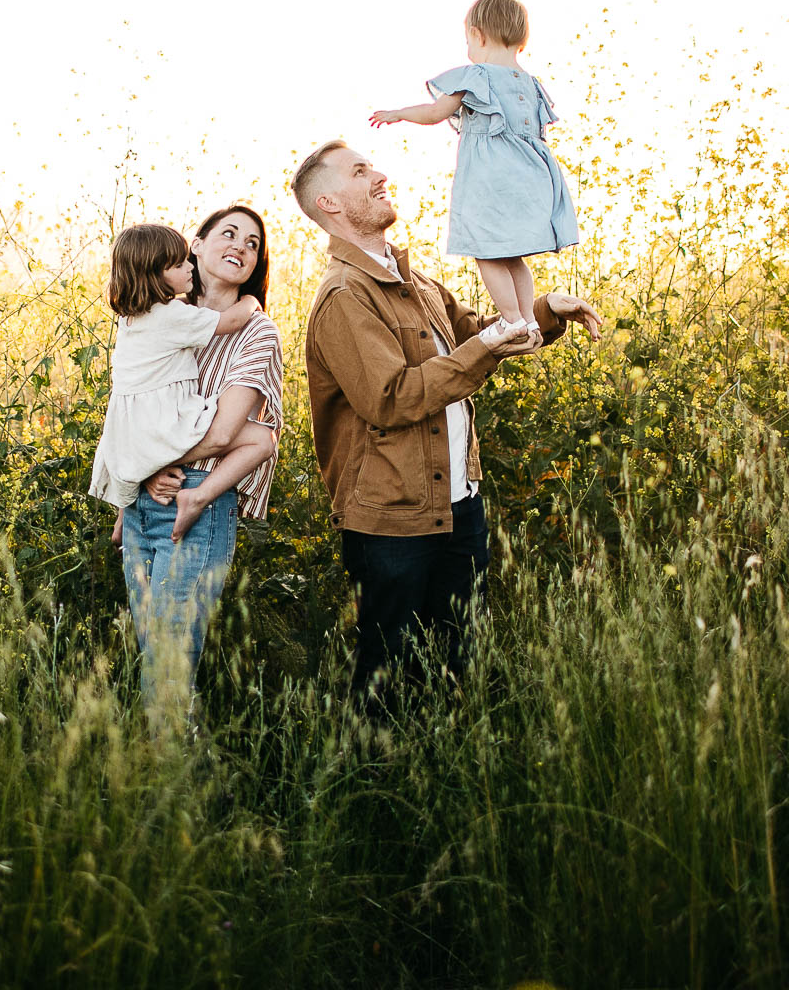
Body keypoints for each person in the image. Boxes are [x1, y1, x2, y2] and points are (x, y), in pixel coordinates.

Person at [290, 140, 602, 702]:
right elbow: (392, 398)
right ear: (331, 203)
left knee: (460, 662)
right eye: (361, 172)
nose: (380, 173)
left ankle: (451, 773)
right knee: (388, 679)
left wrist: (546, 311)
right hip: (391, 518)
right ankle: (376, 782)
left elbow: (476, 331)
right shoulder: (344, 296)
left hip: (458, 503)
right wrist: (485, 345)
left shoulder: (419, 282)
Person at [101, 209, 285, 724]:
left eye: (253, 243)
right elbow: (135, 402)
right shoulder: (160, 315)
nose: (242, 247)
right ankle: (180, 780)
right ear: (196, 247)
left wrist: (151, 464)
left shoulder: (256, 331)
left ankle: (171, 787)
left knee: (168, 661)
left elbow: (228, 433)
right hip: (144, 500)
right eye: (229, 234)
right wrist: (132, 491)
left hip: (197, 496)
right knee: (156, 655)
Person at [370, 0, 578, 343]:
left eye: (468, 39)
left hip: (491, 183)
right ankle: (529, 318)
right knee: (512, 257)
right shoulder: (530, 84)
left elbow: (436, 113)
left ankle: (511, 320)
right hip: (532, 180)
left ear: (479, 35)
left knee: (485, 250)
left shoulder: (475, 76)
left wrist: (399, 114)